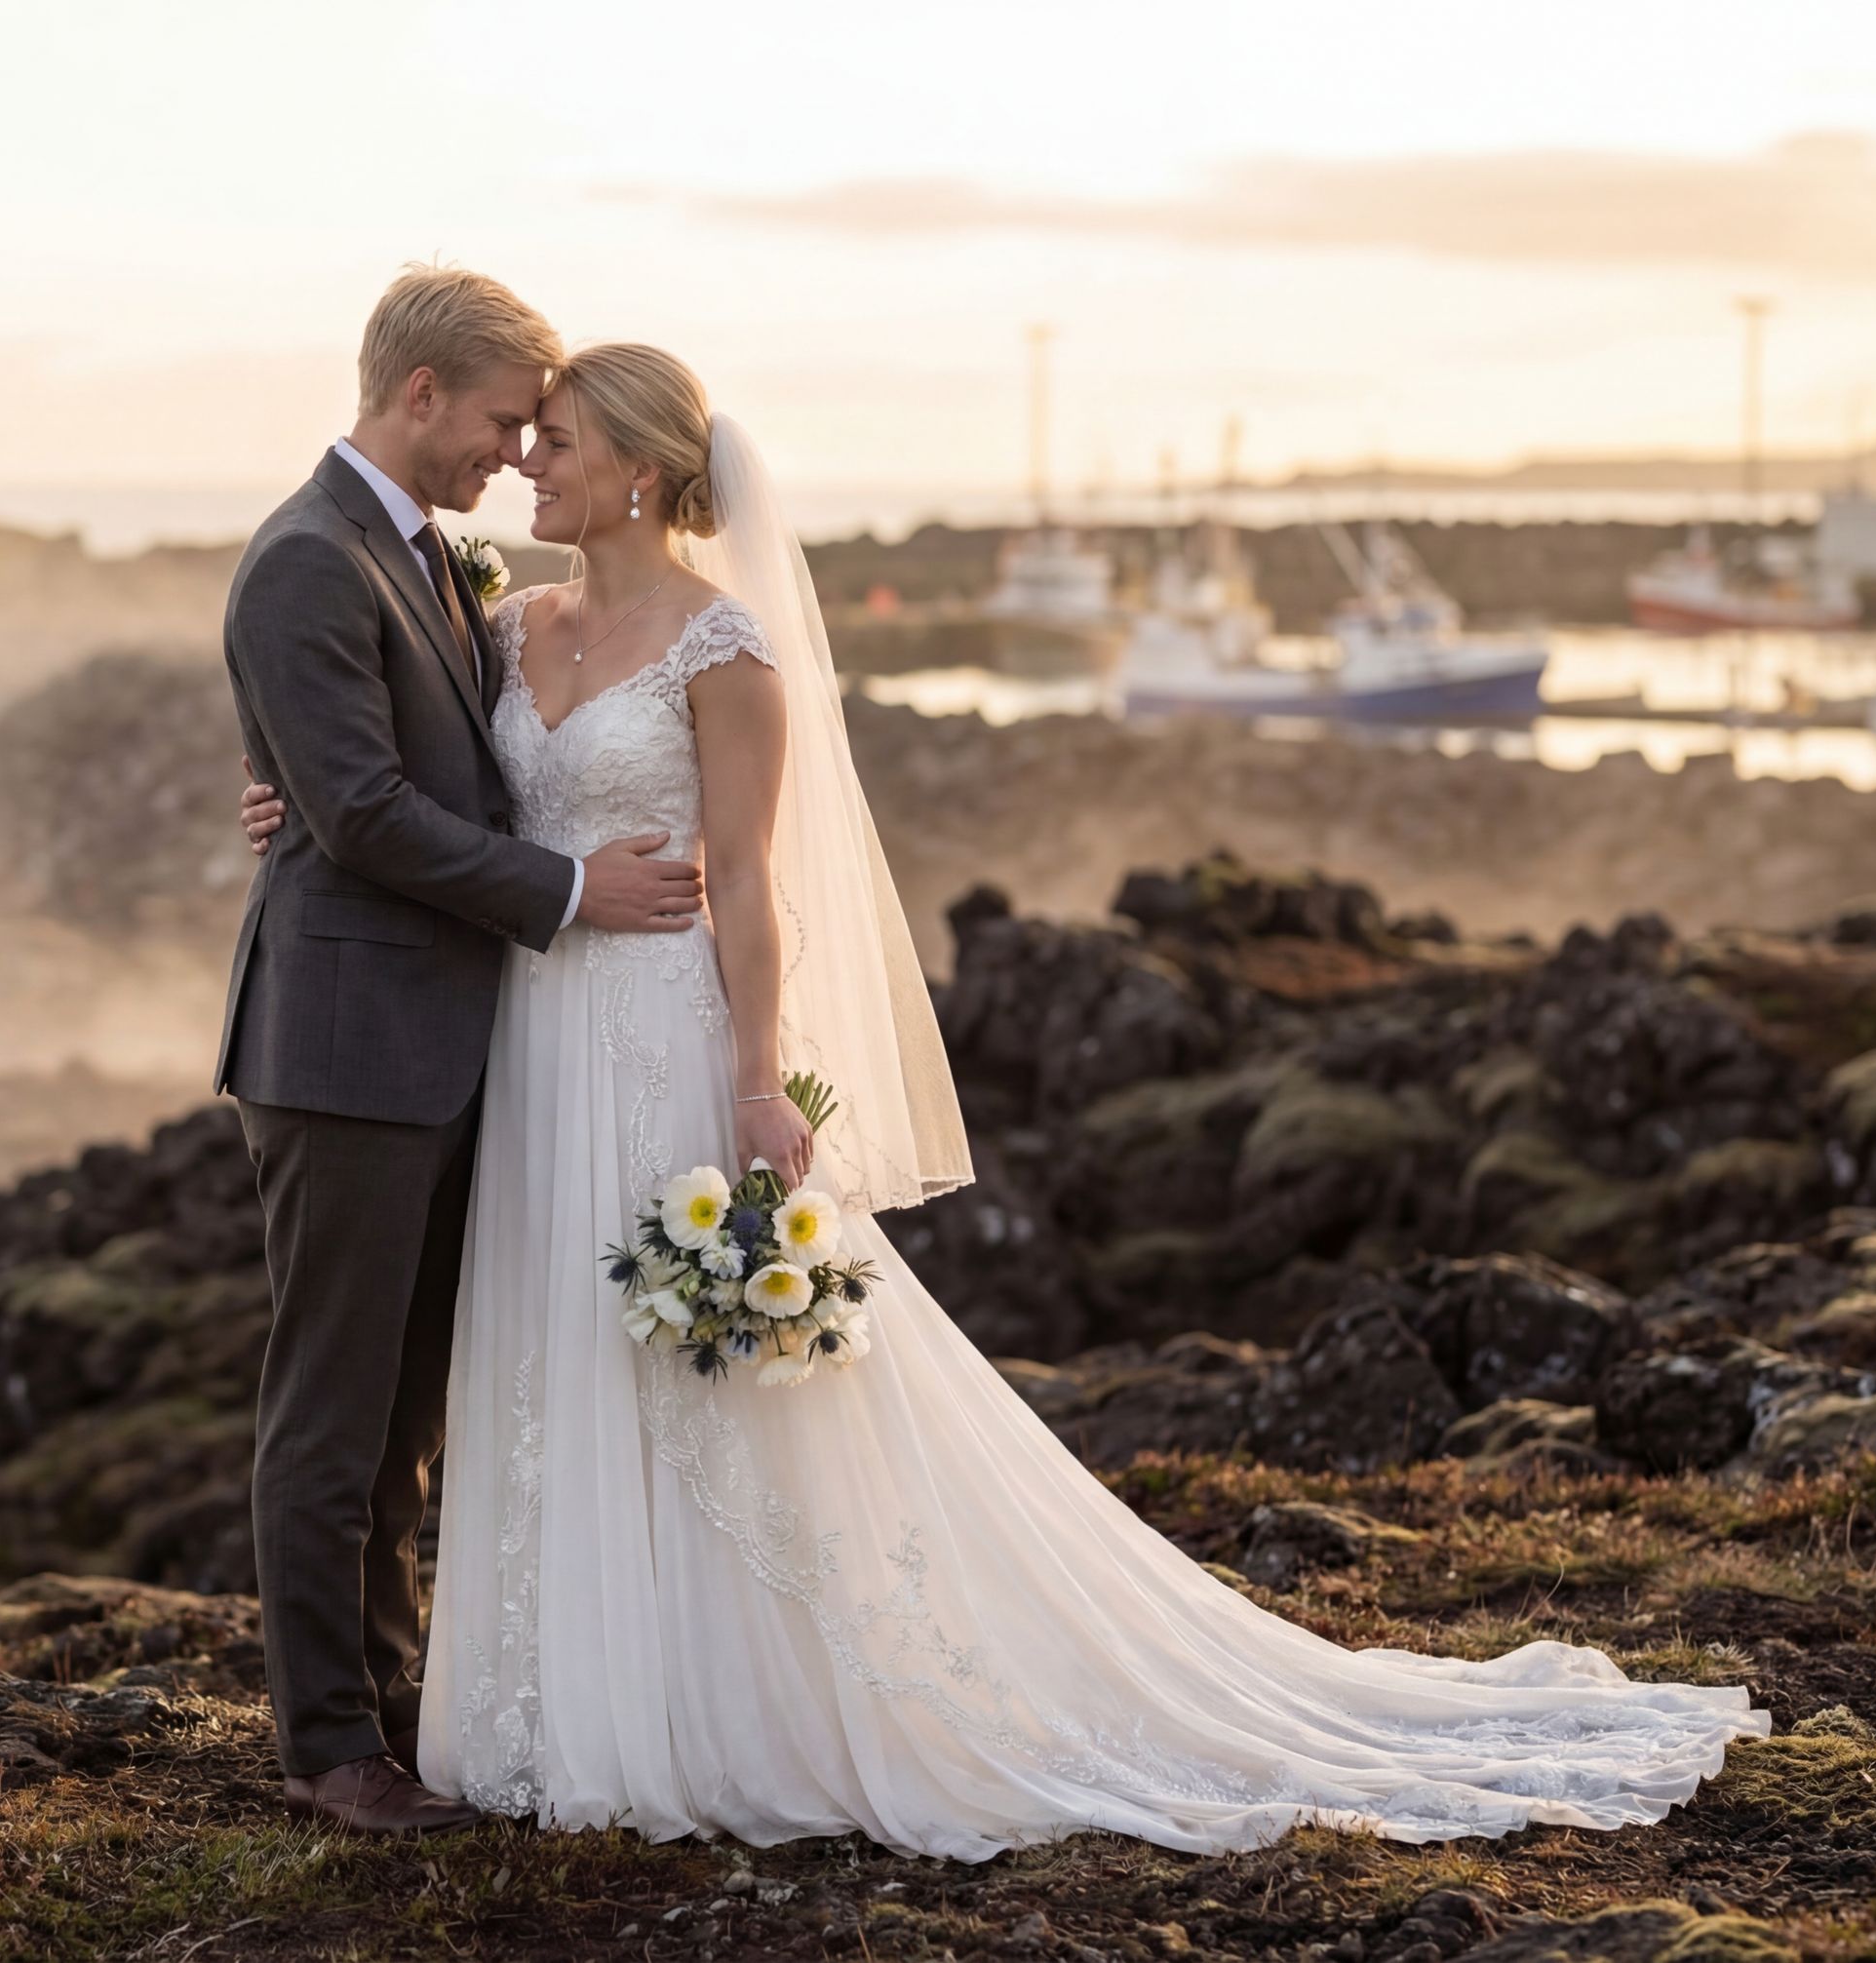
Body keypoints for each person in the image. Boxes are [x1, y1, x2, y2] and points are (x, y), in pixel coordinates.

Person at [235, 340, 1769, 1859]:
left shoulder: (727, 648)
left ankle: (726, 1697)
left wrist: (758, 1081)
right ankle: (544, 1701)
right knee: (548, 1352)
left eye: (554, 439)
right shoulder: (511, 619)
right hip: (533, 1038)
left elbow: (756, 886)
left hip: (655, 1026)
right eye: (522, 431)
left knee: (702, 1379)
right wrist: (289, 794)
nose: (525, 460)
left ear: (641, 469)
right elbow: (391, 764)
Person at [216, 267, 706, 1836]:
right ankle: (325, 1744)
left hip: (445, 1044)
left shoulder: (440, 562)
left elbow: (416, 776)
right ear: (420, 392)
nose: (514, 452)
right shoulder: (306, 559)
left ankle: (388, 1705)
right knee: (333, 1405)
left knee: (410, 1410)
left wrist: (293, 797)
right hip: (348, 1048)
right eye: (503, 420)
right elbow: (358, 810)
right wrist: (571, 889)